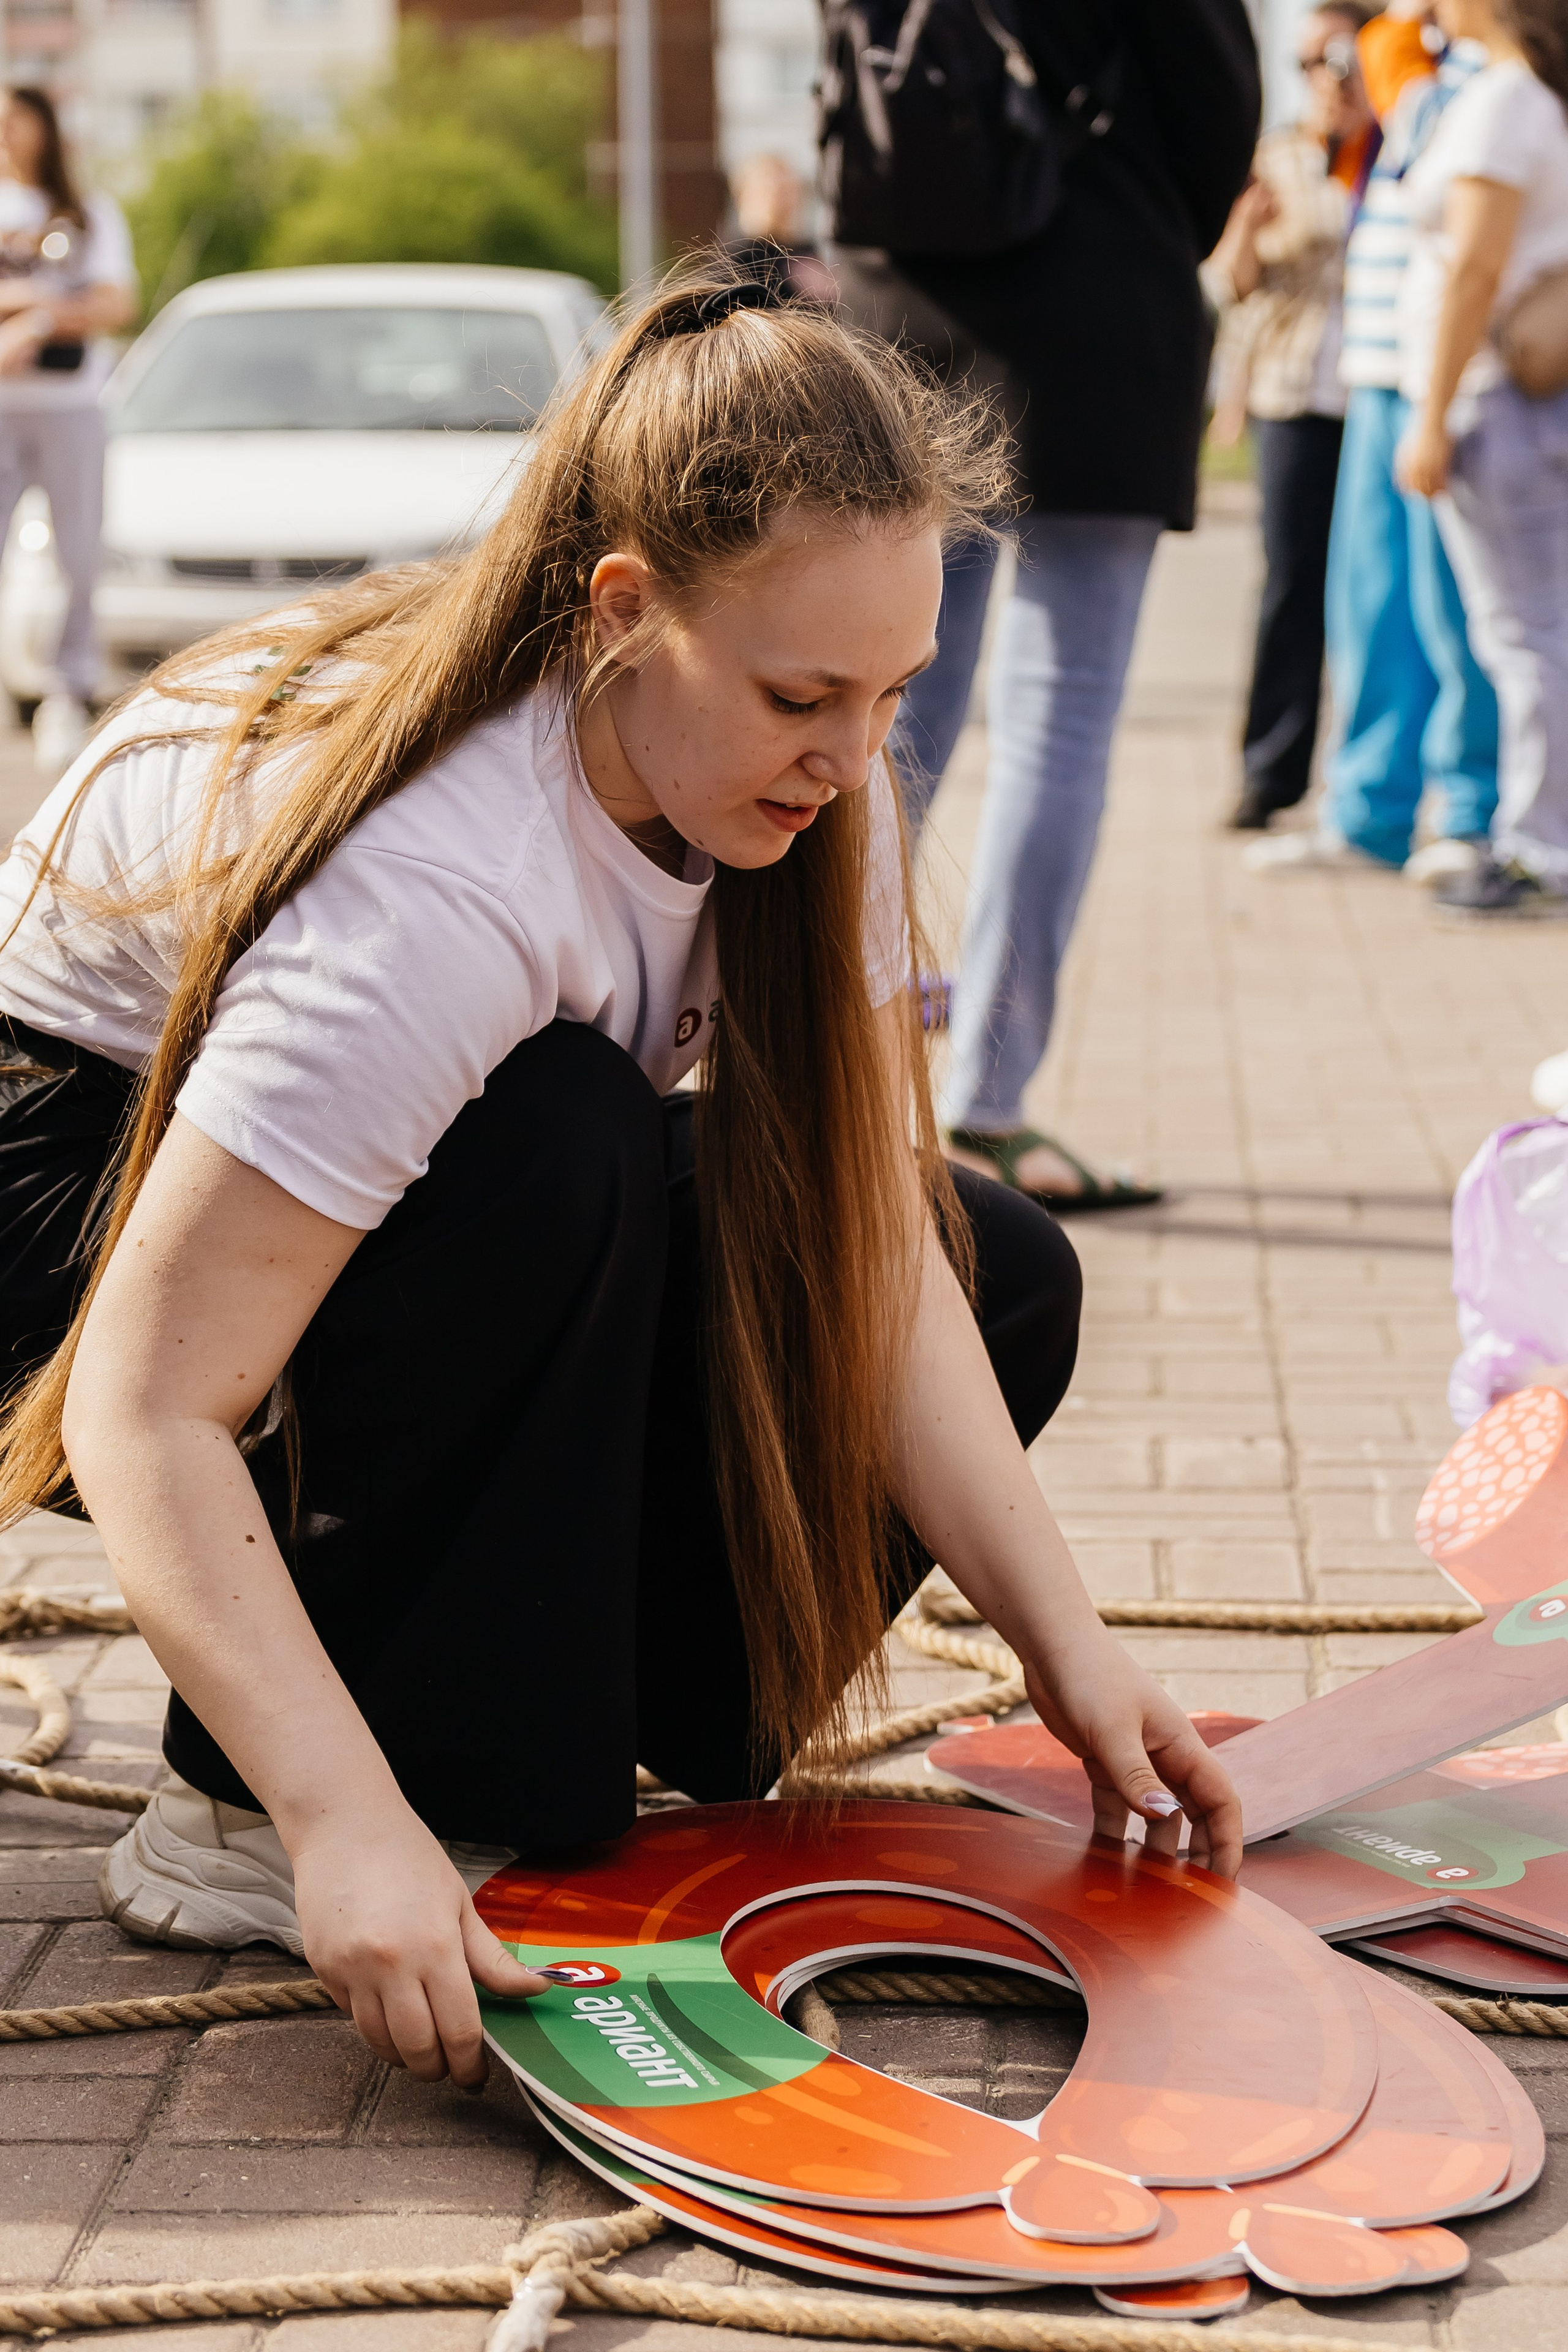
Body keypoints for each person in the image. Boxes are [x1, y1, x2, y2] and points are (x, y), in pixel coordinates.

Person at [0, 280, 1240, 2089]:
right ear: (621, 614)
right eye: (802, 695)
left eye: (891, 694)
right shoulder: (442, 885)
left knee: (996, 1258)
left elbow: (866, 1258)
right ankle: (241, 1809)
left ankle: (570, 1759)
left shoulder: (819, 776)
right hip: (63, 1202)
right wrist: (340, 1820)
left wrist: (1074, 1653)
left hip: (349, 1187)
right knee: (560, 1139)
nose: (850, 756)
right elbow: (140, 1402)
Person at [834, 0, 1259, 1212]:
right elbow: (1213, 110)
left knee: (875, 719)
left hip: (906, 303)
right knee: (1058, 720)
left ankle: (829, 1089)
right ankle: (986, 1108)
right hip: (1099, 300)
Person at [1245, 1, 1500, 882]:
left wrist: (1396, 47)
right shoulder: (1411, 67)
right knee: (1372, 605)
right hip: (1376, 369)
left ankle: (1472, 813)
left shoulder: (1483, 74)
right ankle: (1370, 815)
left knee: (1457, 614)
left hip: (1450, 379)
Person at [1398, 0, 1568, 915]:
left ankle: (1542, 848)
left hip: (1498, 401)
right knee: (1538, 631)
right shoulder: (1527, 95)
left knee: (1528, 635)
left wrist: (1430, 417)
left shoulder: (1507, 99)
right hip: (1518, 402)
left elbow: (1475, 267)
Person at [1210, 4, 1375, 834]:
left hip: (1378, 397)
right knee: (1290, 589)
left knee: (1378, 595)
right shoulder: (1274, 160)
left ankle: (1369, 780)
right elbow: (1230, 284)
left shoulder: (1390, 151)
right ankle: (1268, 774)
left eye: (1344, 58)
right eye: (1314, 62)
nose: (1330, 77)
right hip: (1293, 398)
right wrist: (1244, 225)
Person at [0, 87, 136, 779]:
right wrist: (28, 301)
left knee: (77, 554)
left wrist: (43, 319)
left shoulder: (88, 212)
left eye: (14, 116)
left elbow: (117, 300)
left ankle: (67, 691)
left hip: (72, 403)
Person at [725, 153, 837, 305]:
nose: (781, 200)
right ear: (745, 193)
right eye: (769, 188)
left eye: (787, 189)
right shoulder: (740, 254)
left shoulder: (804, 251)